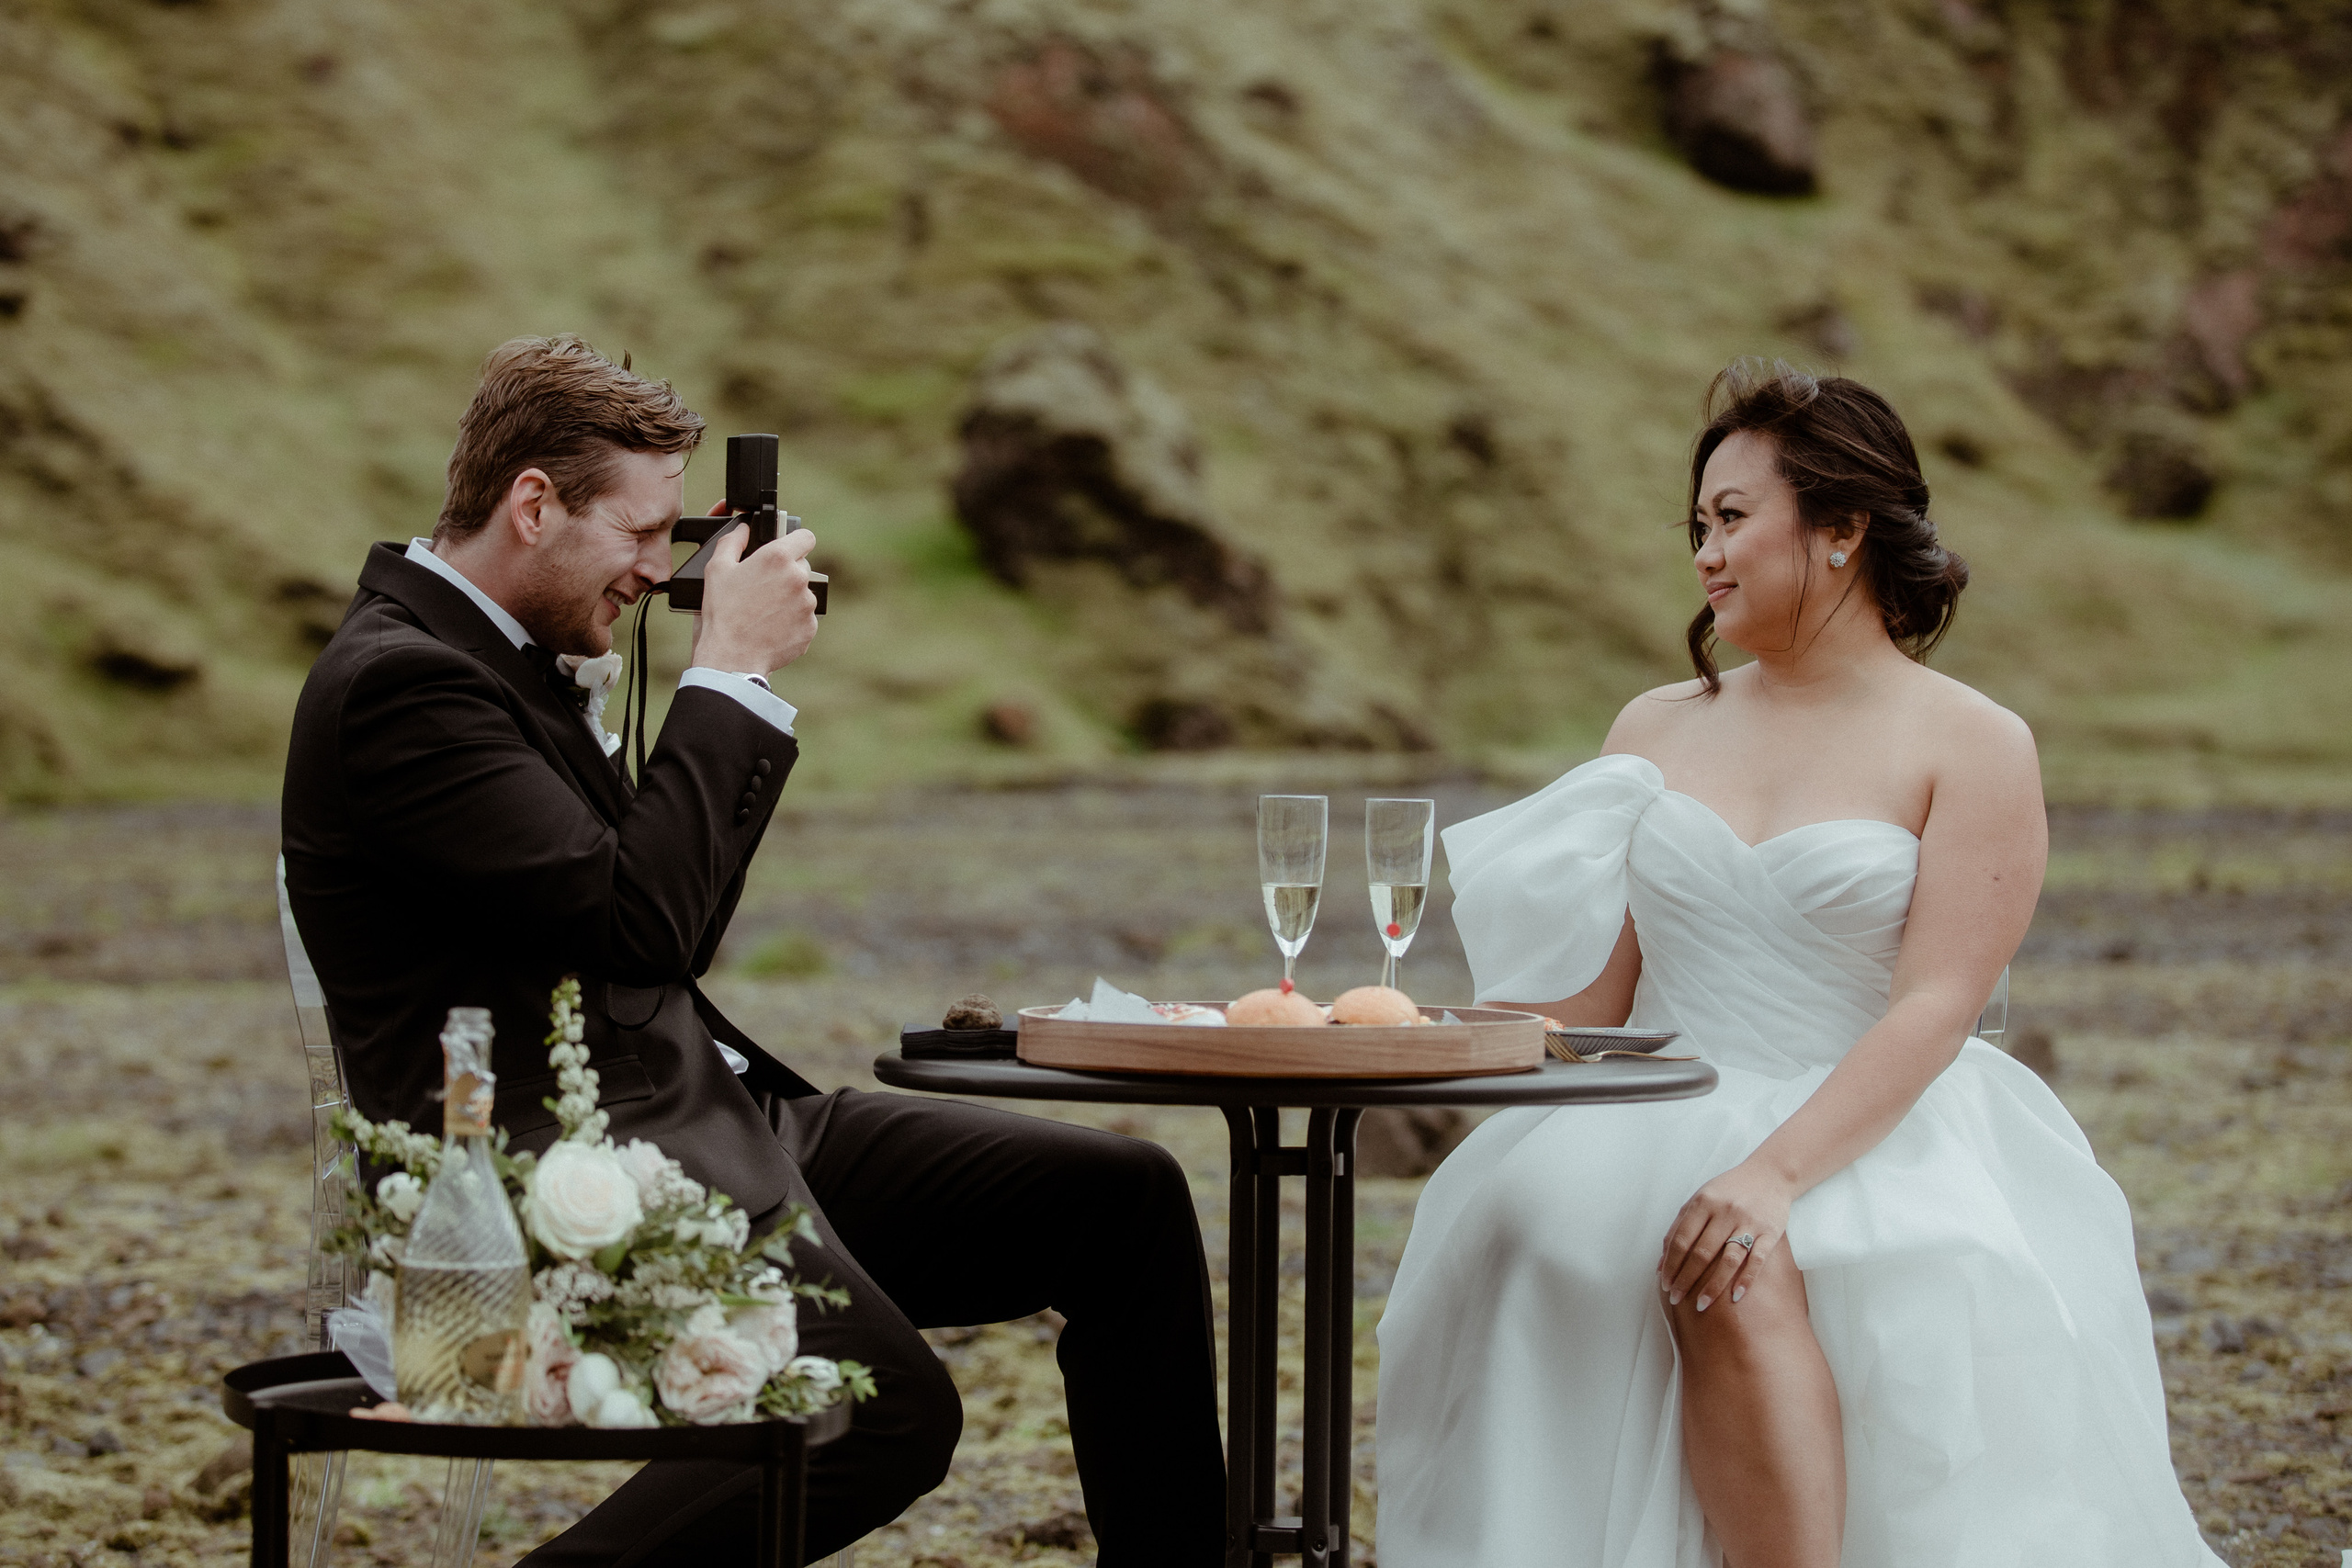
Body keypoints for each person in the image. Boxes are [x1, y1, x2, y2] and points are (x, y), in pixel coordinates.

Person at [281, 336, 1224, 1565]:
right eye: (641, 533)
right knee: (872, 1411)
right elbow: (640, 926)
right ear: (532, 504)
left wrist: (712, 696)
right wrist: (726, 674)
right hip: (552, 1190)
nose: (658, 570)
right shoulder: (405, 685)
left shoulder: (507, 663)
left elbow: (675, 937)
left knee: (1121, 1202)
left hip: (711, 1124)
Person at [1373, 361, 2221, 1567]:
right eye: (1698, 527)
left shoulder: (1974, 742)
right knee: (1535, 1228)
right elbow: (1597, 1005)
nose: (1705, 554)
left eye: (1731, 519)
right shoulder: (1653, 727)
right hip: (1653, 1102)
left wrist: (1769, 1174)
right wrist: (1421, 1024)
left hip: (1864, 1115)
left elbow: (1939, 1004)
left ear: (1840, 528)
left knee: (1736, 1252)